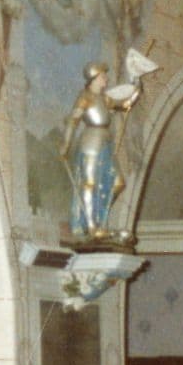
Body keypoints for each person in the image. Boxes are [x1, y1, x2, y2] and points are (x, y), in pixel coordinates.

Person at [59, 62, 138, 241]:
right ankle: (91, 226)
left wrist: (136, 87)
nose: (106, 79)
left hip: (105, 143)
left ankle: (100, 220)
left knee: (118, 183)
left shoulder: (104, 98)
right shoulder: (85, 97)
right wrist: (66, 143)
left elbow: (125, 105)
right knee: (89, 183)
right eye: (103, 76)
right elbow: (73, 120)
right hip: (91, 142)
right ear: (94, 78)